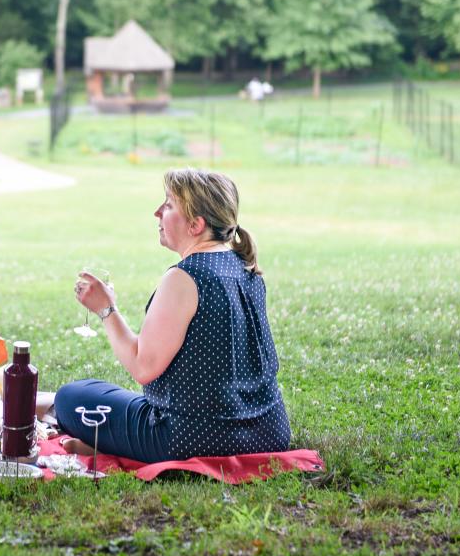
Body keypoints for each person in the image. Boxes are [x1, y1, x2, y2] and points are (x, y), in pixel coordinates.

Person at [56, 168, 290, 463]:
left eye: (168, 205)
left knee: (70, 397)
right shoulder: (246, 269)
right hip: (268, 433)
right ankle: (108, 444)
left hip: (189, 438)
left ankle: (111, 445)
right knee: (109, 397)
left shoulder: (184, 277)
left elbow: (143, 367)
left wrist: (106, 309)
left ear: (195, 225)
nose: (157, 212)